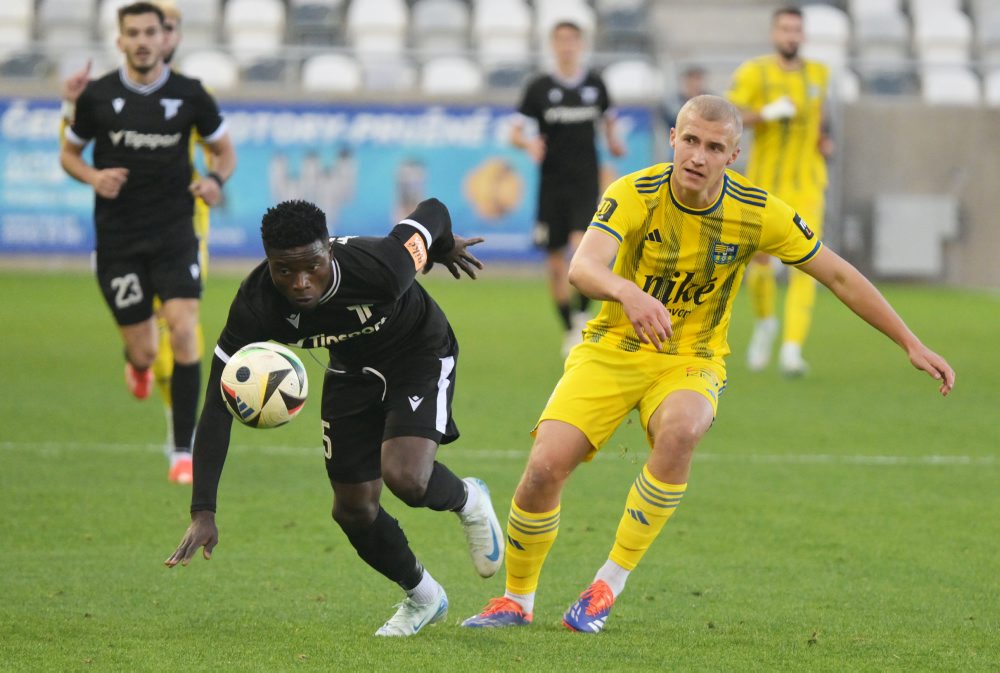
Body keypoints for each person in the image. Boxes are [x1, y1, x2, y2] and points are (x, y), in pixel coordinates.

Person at [462, 95, 954, 633]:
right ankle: (516, 599)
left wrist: (909, 341)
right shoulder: (633, 192)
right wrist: (630, 294)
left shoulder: (758, 212)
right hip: (611, 350)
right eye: (690, 140)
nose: (698, 156)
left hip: (690, 359)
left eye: (715, 147)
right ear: (673, 139)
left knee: (684, 428)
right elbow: (583, 267)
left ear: (734, 153)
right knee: (542, 469)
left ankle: (607, 584)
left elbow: (837, 275)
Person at [165, 198, 507, 638]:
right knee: (353, 509)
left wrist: (440, 246)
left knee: (406, 477)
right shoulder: (256, 304)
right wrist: (203, 510)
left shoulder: (383, 265)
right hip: (349, 370)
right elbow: (217, 404)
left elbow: (435, 210)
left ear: (329, 249)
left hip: (418, 351)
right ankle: (423, 597)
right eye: (283, 270)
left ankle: (468, 499)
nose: (300, 283)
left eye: (312, 266)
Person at [59, 1, 236, 483]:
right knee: (143, 350)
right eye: (132, 32)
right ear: (120, 41)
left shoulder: (191, 94)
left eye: (149, 32)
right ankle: (136, 364)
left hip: (176, 232)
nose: (141, 40)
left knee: (184, 327)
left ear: (165, 39)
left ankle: (183, 449)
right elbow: (70, 154)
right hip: (119, 238)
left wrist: (216, 181)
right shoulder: (98, 96)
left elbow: (224, 149)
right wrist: (94, 177)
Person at [726, 6, 836, 376]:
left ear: (802, 35)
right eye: (785, 29)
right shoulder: (755, 72)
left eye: (796, 30)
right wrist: (766, 113)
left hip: (807, 185)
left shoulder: (818, 74)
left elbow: (820, 116)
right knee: (758, 263)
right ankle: (765, 322)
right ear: (775, 34)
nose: (791, 35)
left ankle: (792, 349)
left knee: (807, 263)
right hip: (765, 185)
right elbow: (733, 113)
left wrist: (824, 140)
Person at [512, 20, 626, 357]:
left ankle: (580, 317)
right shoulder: (539, 87)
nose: (567, 46)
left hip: (585, 183)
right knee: (556, 265)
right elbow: (515, 131)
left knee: (581, 250)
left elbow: (609, 120)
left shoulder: (595, 84)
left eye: (572, 40)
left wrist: (614, 143)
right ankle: (568, 327)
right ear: (552, 44)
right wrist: (528, 144)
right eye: (560, 40)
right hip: (551, 185)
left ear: (580, 44)